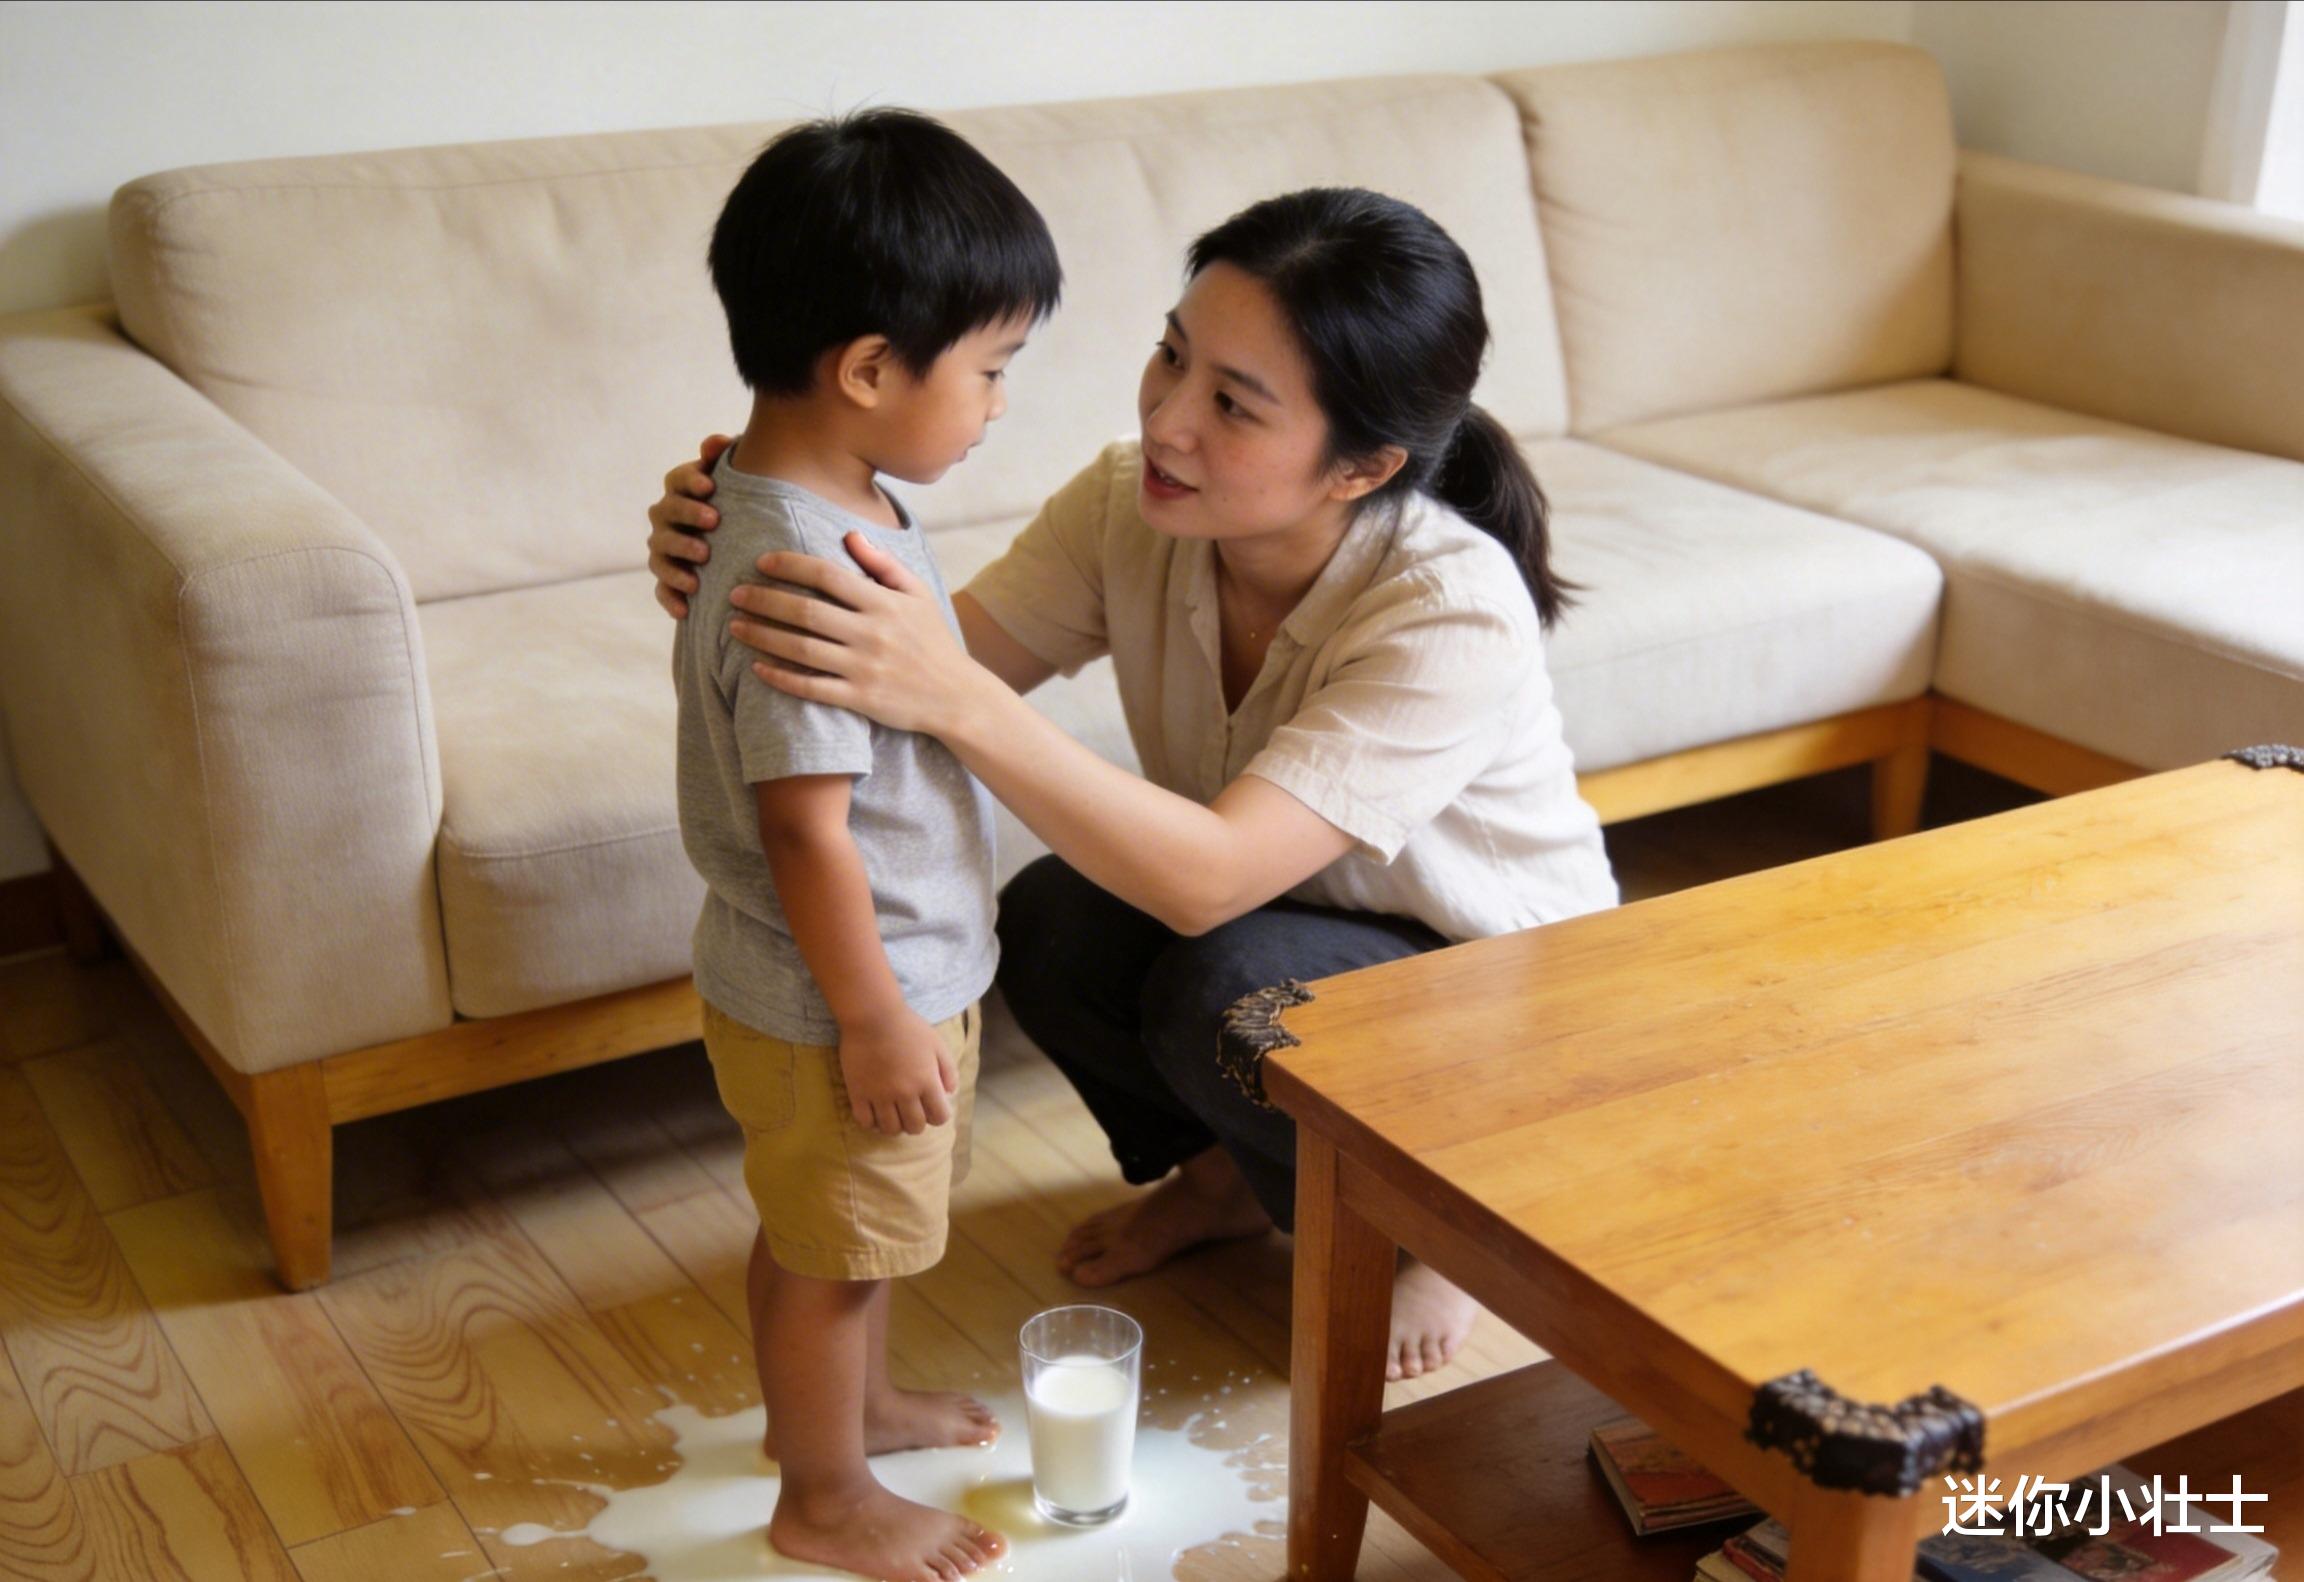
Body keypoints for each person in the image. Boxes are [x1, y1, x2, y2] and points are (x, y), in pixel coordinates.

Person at [650, 185, 1619, 1388]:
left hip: (1490, 994)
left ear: (1362, 466)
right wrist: (753, 543)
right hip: (1291, 917)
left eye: (1232, 404)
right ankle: (1224, 1181)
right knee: (1053, 920)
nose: (1166, 420)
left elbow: (1197, 871)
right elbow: (902, 668)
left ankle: (1446, 1227)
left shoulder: (1449, 608)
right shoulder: (1128, 502)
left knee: (1227, 990)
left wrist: (954, 695)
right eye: (1171, 355)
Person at [673, 108, 1059, 1582]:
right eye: (992, 369)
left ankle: (853, 1413)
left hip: (859, 980)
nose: (999, 404)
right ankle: (824, 1495)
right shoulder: (808, 567)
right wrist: (877, 1016)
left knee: (839, 1231)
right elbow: (803, 826)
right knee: (834, 1250)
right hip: (846, 992)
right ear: (871, 370)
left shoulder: (803, 494)